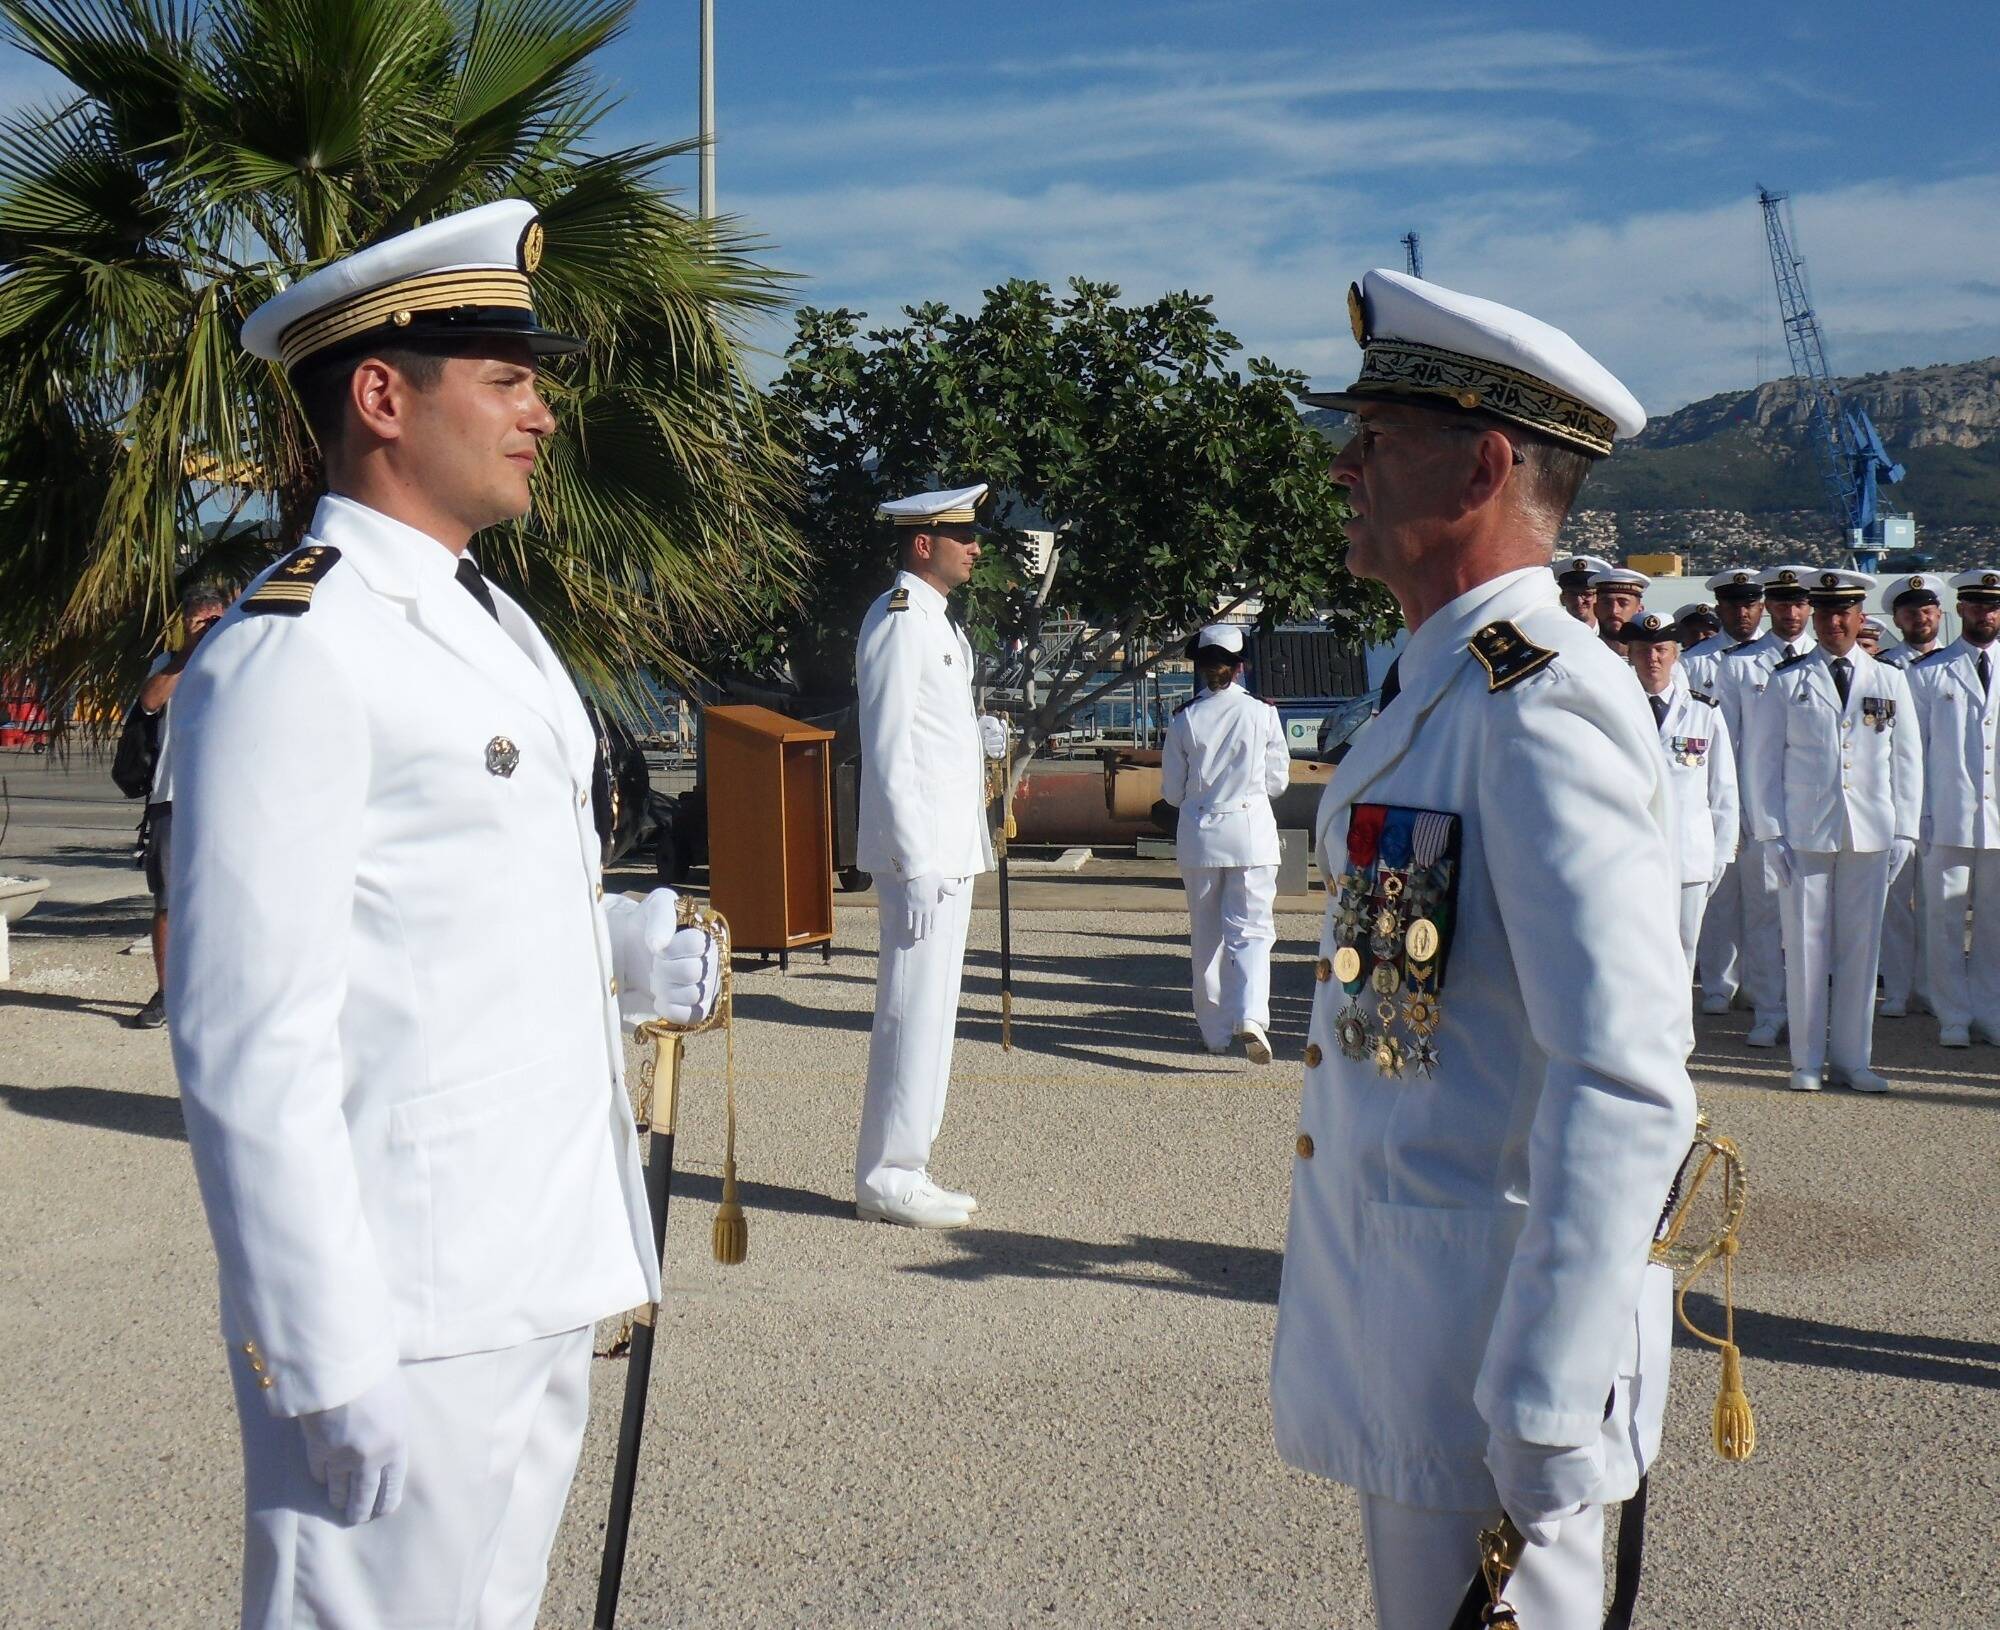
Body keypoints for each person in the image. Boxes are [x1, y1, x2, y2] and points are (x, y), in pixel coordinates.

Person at [166, 199, 720, 1628]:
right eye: (508, 377)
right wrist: (320, 1346)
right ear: (380, 394)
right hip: (400, 1308)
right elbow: (249, 1038)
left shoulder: (488, 618)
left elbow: (453, 908)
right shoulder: (296, 652)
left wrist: (623, 947)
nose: (543, 411)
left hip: (529, 1259)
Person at [1284, 267, 1693, 1629]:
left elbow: (1627, 1075)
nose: (1343, 465)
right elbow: (1406, 1016)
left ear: (1484, 464)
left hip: (1499, 1364)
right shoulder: (1441, 682)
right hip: (1424, 1333)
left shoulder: (1537, 706)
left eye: (1375, 438)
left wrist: (1546, 1388)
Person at [853, 483, 994, 1229]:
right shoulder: (900, 622)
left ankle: (913, 1162)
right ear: (922, 543)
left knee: (935, 1014)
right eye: (962, 536)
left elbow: (936, 738)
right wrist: (908, 858)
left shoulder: (935, 622)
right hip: (923, 856)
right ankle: (886, 1173)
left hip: (949, 850)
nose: (976, 548)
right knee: (910, 1011)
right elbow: (887, 746)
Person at [1742, 569, 1921, 1092]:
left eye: (1844, 612)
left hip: (1871, 831)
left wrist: (1905, 831)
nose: (1834, 621)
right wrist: (1770, 833)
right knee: (1804, 948)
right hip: (1806, 834)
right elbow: (1762, 762)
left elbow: (1906, 762)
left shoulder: (1889, 680)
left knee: (1861, 951)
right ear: (1814, 619)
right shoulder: (1787, 680)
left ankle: (1852, 1059)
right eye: (1825, 613)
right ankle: (1805, 1060)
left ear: (1862, 618)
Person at [1160, 622, 1290, 1062]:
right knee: (1252, 932)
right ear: (1240, 668)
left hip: (1200, 835)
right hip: (1251, 833)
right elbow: (1276, 782)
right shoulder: (1263, 713)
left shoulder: (1185, 718)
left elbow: (1172, 793)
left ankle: (1214, 1033)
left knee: (1207, 936)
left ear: (1199, 668)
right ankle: (1252, 1014)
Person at [1708, 564, 1816, 1041]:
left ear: (1810, 607)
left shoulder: (1824, 660)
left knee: (1814, 922)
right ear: (1767, 606)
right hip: (1760, 815)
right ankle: (1770, 1011)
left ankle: (1812, 1014)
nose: (1791, 612)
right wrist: (1740, 817)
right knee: (1764, 916)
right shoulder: (1740, 664)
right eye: (1781, 603)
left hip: (1818, 814)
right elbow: (1727, 747)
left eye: (1799, 603)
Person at [125, 580, 232, 1028]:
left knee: (233, 898)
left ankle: (227, 992)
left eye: (214, 618)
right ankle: (167, 993)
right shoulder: (169, 664)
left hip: (230, 797)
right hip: (171, 797)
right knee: (168, 901)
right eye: (197, 620)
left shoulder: (243, 657)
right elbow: (149, 702)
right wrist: (189, 652)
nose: (206, 626)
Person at [1906, 569, 2000, 1047]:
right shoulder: (1928, 672)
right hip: (1944, 817)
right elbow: (1911, 752)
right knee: (1942, 924)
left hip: (1998, 822)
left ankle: (1990, 1009)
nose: (1986, 613)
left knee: (1993, 924)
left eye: (1993, 606)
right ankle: (1952, 1015)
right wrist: (1917, 816)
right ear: (1960, 610)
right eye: (1977, 605)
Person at [1619, 610, 1738, 972]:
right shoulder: (1617, 708)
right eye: (1642, 650)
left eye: (1661, 650)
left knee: (1684, 950)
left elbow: (1723, 790)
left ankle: (1680, 1029)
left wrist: (1721, 854)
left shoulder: (1703, 711)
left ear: (1675, 654)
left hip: (1690, 852)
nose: (1652, 659)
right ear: (1630, 655)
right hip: (1631, 852)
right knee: (1635, 950)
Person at [1875, 574, 1947, 1016]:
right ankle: (1898, 989)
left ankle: (1936, 990)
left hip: (1946, 801)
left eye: (1925, 610)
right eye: (1908, 612)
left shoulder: (1957, 662)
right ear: (1897, 618)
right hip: (1897, 800)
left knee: (1940, 905)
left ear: (1939, 614)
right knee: (1895, 903)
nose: (1918, 618)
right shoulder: (1884, 668)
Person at [1590, 564, 1649, 651]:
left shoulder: (1651, 660)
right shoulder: (1582, 654)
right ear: (1595, 608)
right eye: (1606, 603)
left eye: (1623, 603)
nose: (1614, 610)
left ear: (1639, 610)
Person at [1551, 553, 1611, 625]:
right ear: (1562, 599)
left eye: (1587, 594)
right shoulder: (1548, 634)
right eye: (1572, 594)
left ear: (1599, 598)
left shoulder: (1612, 634)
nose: (1579, 601)